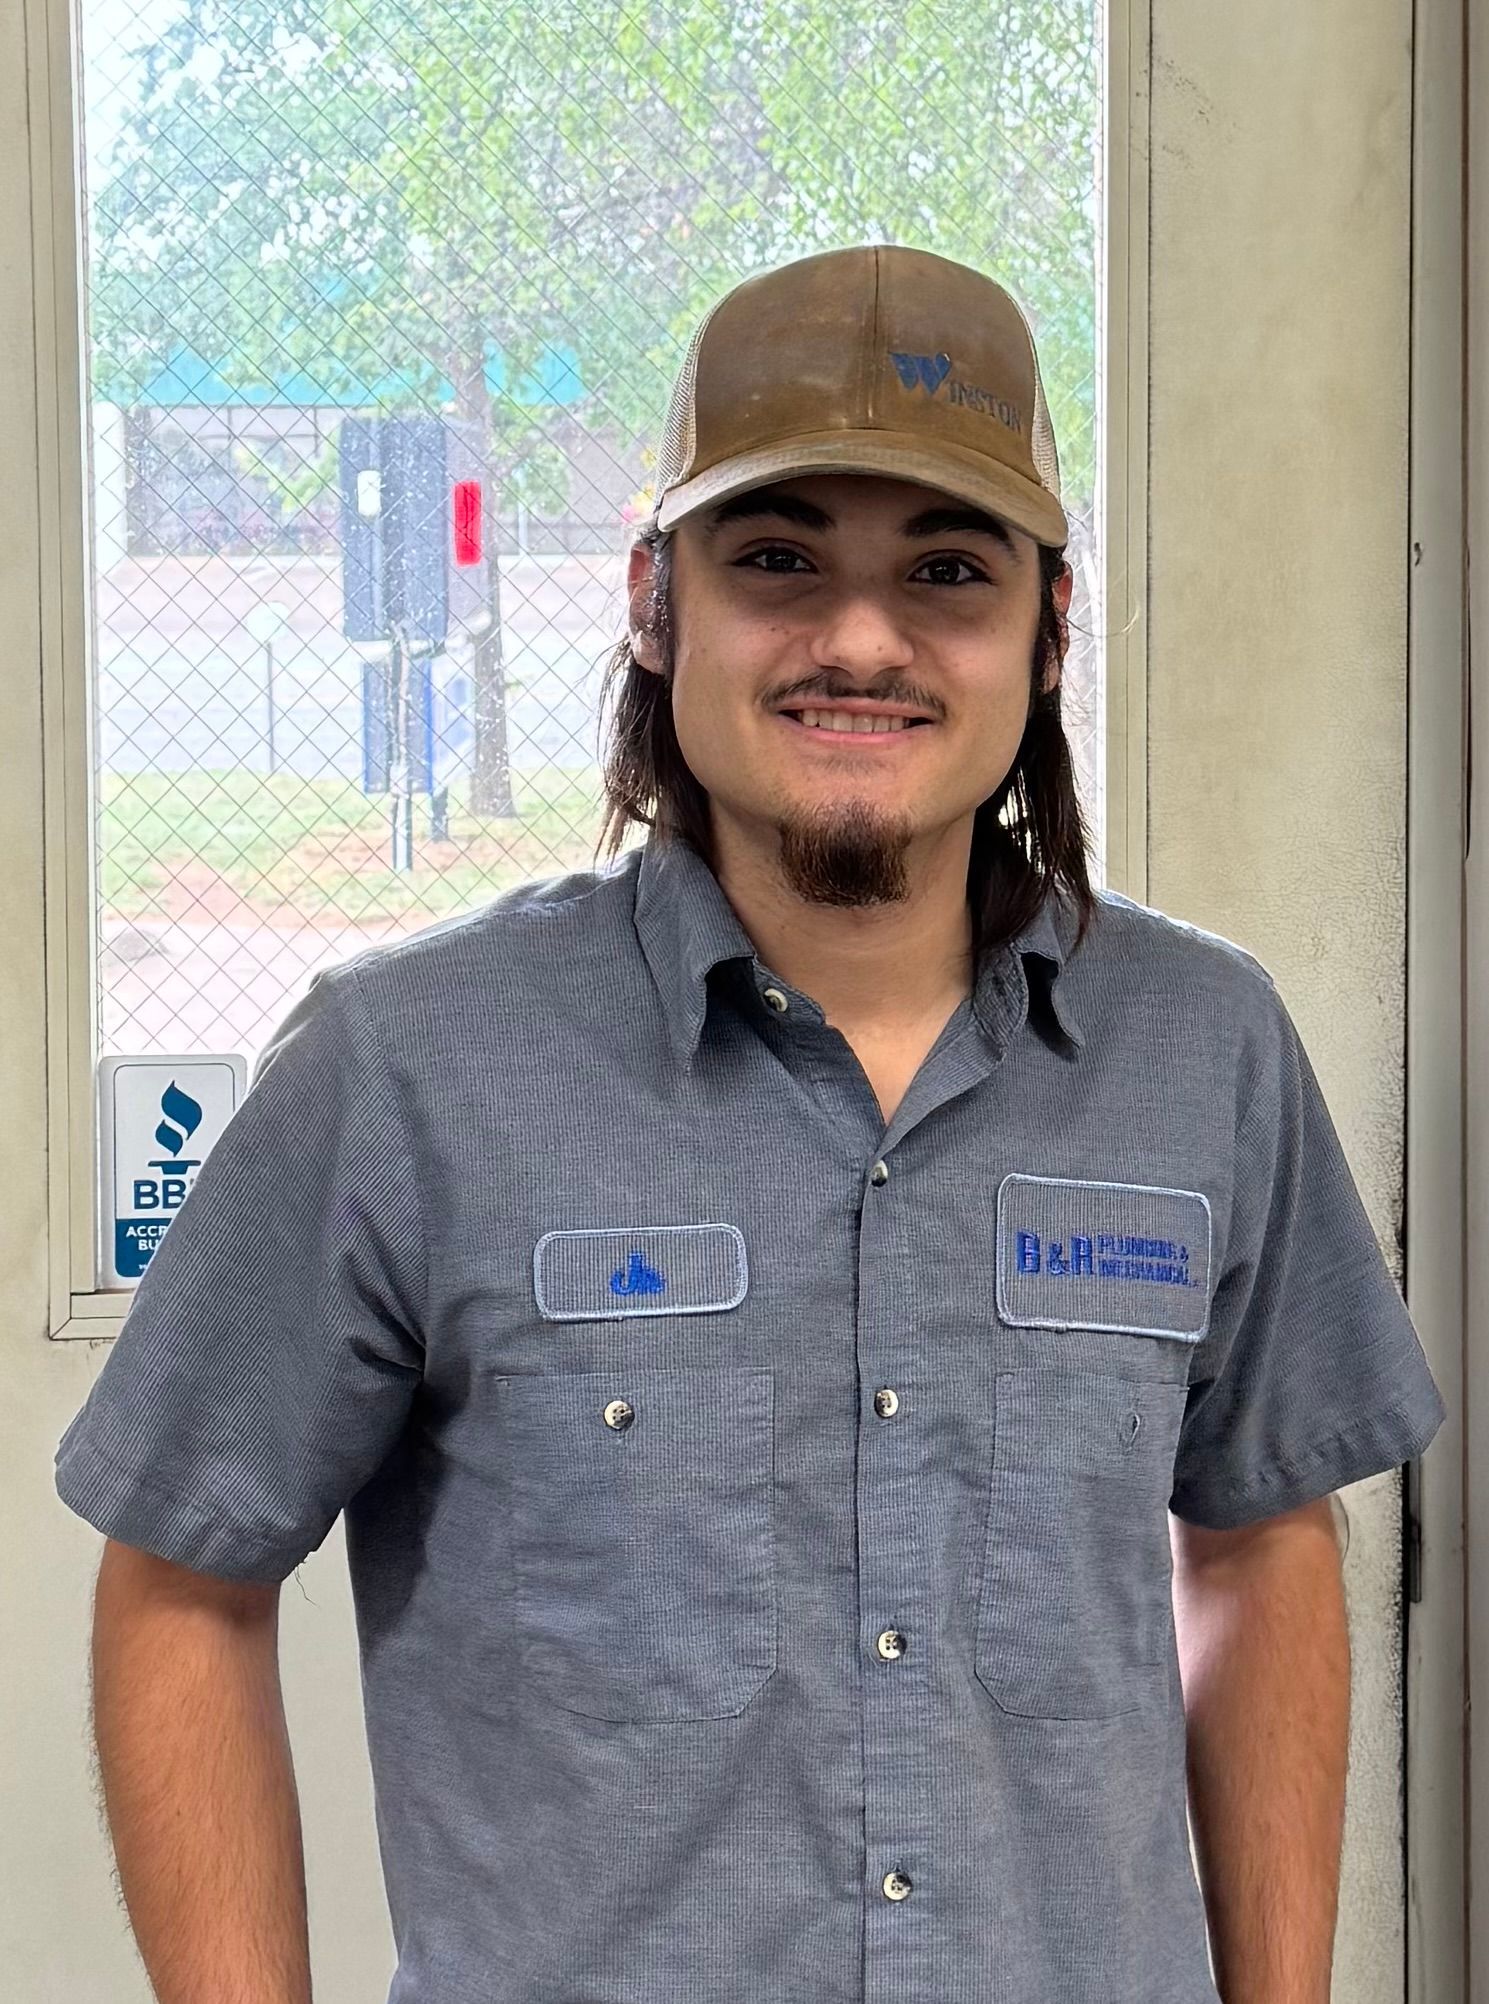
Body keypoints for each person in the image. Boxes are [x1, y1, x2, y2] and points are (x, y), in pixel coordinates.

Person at [55, 243, 1447, 2004]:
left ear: (1047, 626)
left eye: (946, 571)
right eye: (779, 560)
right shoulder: (406, 1066)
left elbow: (1256, 1544)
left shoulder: (1206, 1048)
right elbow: (180, 1581)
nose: (860, 639)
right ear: (655, 601)